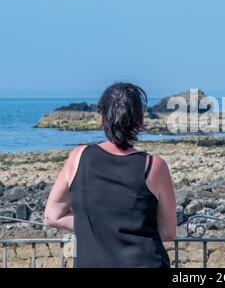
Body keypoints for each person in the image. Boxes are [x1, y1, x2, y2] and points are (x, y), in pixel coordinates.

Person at [44, 83, 176, 268]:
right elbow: (168, 232)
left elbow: (52, 215)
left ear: (102, 119)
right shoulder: (154, 166)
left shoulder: (78, 157)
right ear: (140, 120)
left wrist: (98, 227)